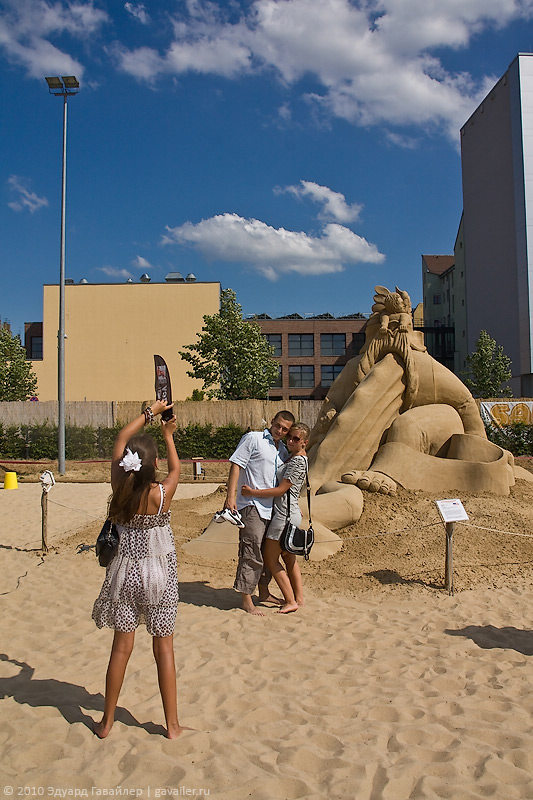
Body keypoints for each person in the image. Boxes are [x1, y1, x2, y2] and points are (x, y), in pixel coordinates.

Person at [92, 400, 186, 739]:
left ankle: (106, 722)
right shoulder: (162, 493)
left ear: (126, 463)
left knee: (121, 648)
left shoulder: (120, 486)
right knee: (163, 649)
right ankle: (172, 726)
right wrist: (168, 432)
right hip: (159, 575)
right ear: (154, 464)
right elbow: (176, 469)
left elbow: (121, 437)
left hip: (124, 572)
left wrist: (148, 413)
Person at [225, 410, 295, 615]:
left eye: (285, 429)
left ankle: (263, 592)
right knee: (251, 551)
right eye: (278, 425)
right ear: (272, 421)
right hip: (251, 505)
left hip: (271, 509)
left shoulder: (283, 450)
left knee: (267, 553)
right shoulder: (253, 438)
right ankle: (246, 598)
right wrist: (230, 497)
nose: (280, 431)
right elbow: (236, 465)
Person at [241, 423, 310, 614]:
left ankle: (290, 600)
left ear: (304, 442)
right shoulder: (295, 458)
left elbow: (281, 490)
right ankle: (299, 597)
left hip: (283, 515)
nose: (290, 441)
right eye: (290, 437)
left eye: (296, 439)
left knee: (271, 560)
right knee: (289, 558)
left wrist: (252, 492)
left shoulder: (297, 461)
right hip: (290, 512)